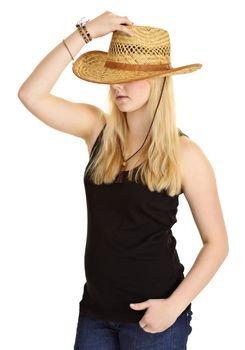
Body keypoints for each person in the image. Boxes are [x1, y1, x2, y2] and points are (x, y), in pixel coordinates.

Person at [18, 11, 229, 350]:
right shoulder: (97, 129)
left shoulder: (185, 153)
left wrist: (173, 308)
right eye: (114, 73)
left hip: (155, 319)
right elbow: (31, 94)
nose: (117, 84)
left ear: (157, 79)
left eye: (129, 75)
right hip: (95, 315)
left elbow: (217, 243)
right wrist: (86, 34)